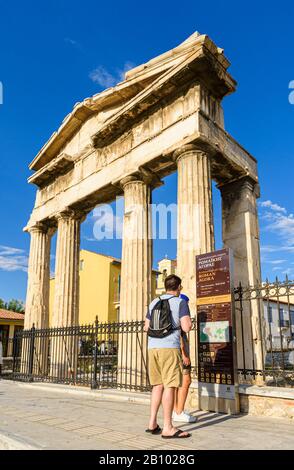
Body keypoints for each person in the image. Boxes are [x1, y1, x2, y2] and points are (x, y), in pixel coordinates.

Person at [144, 274, 192, 439]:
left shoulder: (153, 302)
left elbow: (146, 327)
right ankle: (168, 427)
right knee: (170, 386)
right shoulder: (180, 302)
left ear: (165, 287)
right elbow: (186, 327)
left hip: (152, 347)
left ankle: (152, 423)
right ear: (178, 287)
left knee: (157, 385)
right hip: (169, 348)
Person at [173, 293, 196, 423]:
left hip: (174, 353)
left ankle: (176, 410)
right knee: (186, 381)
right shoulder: (180, 316)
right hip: (181, 354)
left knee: (177, 382)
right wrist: (184, 354)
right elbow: (180, 336)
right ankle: (179, 411)